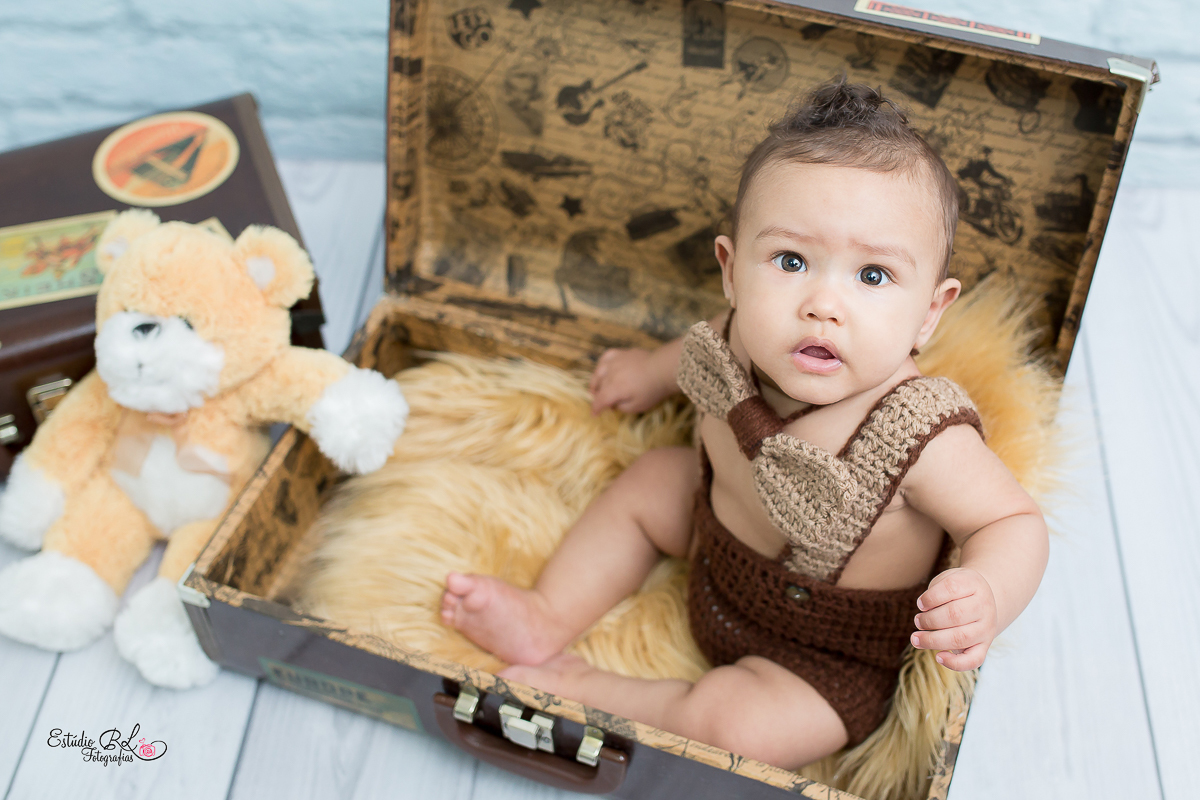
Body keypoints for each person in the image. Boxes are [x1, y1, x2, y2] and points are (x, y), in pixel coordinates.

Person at [440, 78, 1048, 769]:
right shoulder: (740, 337)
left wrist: (987, 590)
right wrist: (648, 371)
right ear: (732, 271)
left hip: (822, 658)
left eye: (873, 276)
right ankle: (547, 613)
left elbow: (1012, 522)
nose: (822, 304)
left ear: (930, 312)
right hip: (712, 547)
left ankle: (587, 688)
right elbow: (696, 349)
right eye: (791, 261)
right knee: (652, 481)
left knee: (736, 729)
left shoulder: (922, 434)